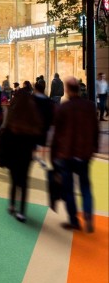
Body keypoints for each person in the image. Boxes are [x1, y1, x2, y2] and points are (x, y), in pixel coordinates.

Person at [51, 76, 99, 232]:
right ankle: (89, 217)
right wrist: (94, 148)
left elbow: (57, 134)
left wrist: (53, 156)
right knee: (85, 187)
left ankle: (74, 221)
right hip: (84, 153)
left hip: (66, 154)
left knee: (68, 189)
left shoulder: (63, 108)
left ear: (66, 90)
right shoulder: (90, 107)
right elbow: (95, 130)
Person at [3, 86, 44, 222]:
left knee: (14, 180)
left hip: (13, 152)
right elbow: (38, 133)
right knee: (24, 181)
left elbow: (6, 133)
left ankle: (12, 205)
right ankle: (22, 212)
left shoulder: (13, 114)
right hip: (26, 153)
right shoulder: (33, 114)